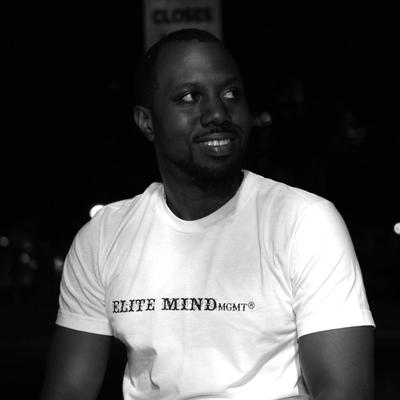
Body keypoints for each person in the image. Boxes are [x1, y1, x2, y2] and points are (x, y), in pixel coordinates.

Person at [41, 29, 375, 400]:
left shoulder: (304, 222)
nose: (217, 113)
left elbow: (345, 392)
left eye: (231, 94)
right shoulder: (103, 238)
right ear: (147, 122)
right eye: (189, 97)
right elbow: (68, 390)